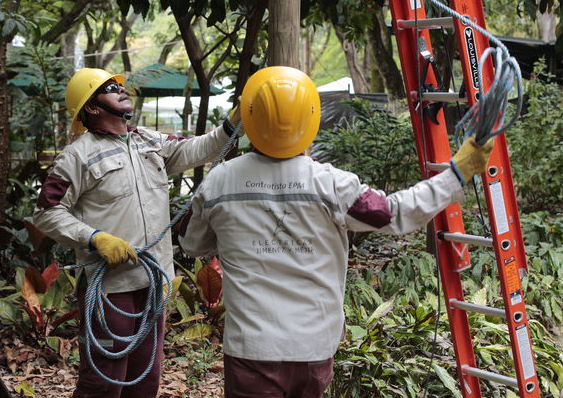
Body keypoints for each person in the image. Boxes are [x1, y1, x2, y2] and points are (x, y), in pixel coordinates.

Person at [178, 66, 494, 398]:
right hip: (313, 347)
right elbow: (395, 213)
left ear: (248, 116)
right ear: (311, 119)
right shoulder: (332, 184)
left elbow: (191, 242)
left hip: (251, 349)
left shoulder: (219, 181)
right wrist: (457, 174)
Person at [33, 67, 240, 398]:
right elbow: (46, 212)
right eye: (109, 87)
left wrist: (233, 122)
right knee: (103, 382)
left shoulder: (150, 141)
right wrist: (94, 237)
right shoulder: (77, 156)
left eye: (119, 84)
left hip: (153, 282)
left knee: (145, 382)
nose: (120, 89)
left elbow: (198, 149)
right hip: (109, 288)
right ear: (91, 107)